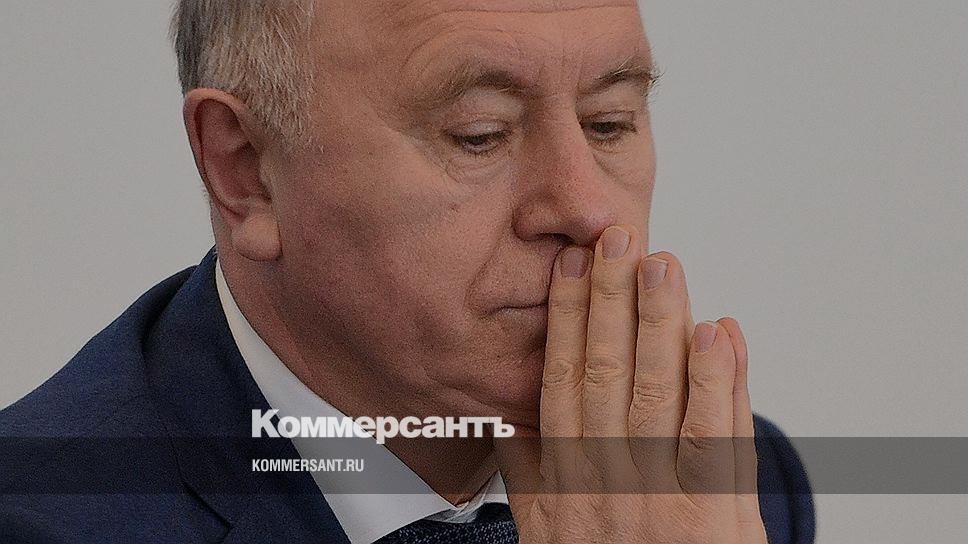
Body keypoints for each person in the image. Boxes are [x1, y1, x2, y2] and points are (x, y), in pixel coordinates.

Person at [0, 1, 814, 542]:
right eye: (480, 134)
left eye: (610, 122)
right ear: (246, 170)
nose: (589, 209)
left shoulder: (718, 489)